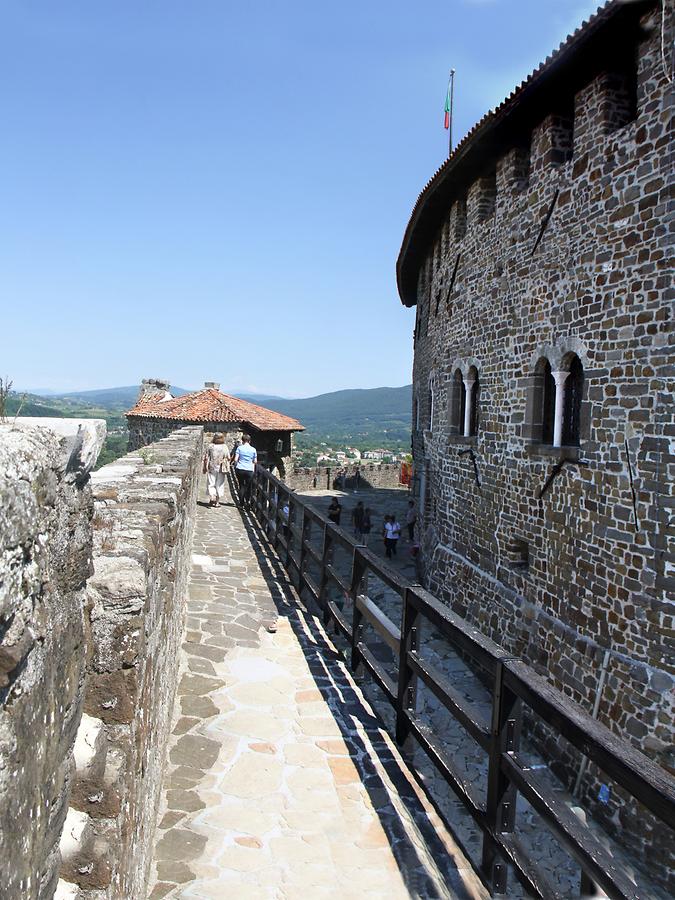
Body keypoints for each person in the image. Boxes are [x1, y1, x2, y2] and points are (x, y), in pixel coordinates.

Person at [204, 434, 228, 507]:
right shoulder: (224, 447)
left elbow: (206, 457)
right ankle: (217, 502)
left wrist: (205, 467)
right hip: (221, 468)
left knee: (211, 483)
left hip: (212, 466)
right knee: (219, 484)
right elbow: (228, 457)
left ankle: (212, 496)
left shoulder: (210, 446)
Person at [234, 433, 257, 509]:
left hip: (240, 468)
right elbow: (255, 461)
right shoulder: (253, 449)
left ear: (242, 440)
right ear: (249, 441)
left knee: (241, 485)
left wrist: (237, 464)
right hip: (249, 470)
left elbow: (235, 459)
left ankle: (241, 504)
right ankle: (247, 503)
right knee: (248, 487)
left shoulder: (239, 448)